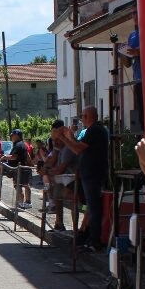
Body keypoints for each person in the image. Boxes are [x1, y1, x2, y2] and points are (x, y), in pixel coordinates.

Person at [60, 106, 108, 252]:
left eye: (83, 116)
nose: (81, 118)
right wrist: (71, 137)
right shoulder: (91, 131)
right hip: (89, 173)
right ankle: (89, 238)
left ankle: (94, 241)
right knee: (90, 207)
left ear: (89, 117)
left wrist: (63, 138)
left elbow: (77, 149)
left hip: (93, 174)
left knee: (93, 208)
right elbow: (80, 145)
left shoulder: (95, 130)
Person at [46, 134, 78, 231]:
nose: (54, 142)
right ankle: (59, 224)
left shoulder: (67, 150)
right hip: (64, 179)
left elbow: (60, 169)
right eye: (53, 140)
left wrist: (48, 171)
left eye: (57, 140)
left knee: (73, 201)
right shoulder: (60, 150)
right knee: (57, 195)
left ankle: (75, 229)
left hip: (73, 180)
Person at [1, 129, 31, 209]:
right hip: (24, 167)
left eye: (12, 135)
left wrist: (4, 157)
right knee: (25, 185)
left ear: (17, 135)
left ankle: (21, 203)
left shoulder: (18, 145)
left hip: (19, 169)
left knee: (18, 186)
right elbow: (28, 156)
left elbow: (14, 157)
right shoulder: (23, 144)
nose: (11, 137)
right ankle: (27, 202)